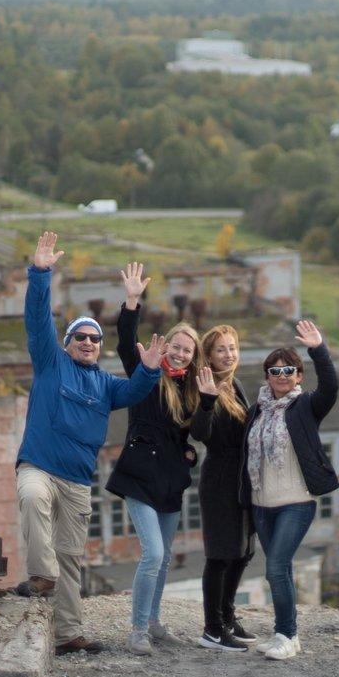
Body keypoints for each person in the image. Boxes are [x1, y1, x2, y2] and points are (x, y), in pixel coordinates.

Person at [14, 232, 169, 656]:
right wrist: (41, 273)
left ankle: (68, 634)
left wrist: (151, 369)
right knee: (31, 498)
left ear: (100, 348)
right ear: (67, 344)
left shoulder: (105, 386)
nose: (87, 343)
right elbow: (36, 318)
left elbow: (135, 391)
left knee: (70, 556)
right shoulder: (50, 363)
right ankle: (39, 575)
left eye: (94, 339)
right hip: (39, 467)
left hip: (78, 480)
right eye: (80, 337)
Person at [106, 262, 202, 656]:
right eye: (175, 347)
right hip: (139, 476)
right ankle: (137, 630)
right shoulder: (146, 373)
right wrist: (132, 302)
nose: (179, 354)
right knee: (154, 554)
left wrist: (189, 451)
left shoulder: (192, 389)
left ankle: (156, 622)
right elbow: (126, 342)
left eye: (186, 350)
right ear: (165, 347)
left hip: (171, 480)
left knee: (163, 561)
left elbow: (184, 434)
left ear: (192, 356)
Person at [241, 319, 338, 661]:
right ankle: (285, 633)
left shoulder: (305, 407)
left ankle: (288, 635)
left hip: (296, 503)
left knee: (276, 566)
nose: (281, 376)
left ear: (299, 375)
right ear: (266, 376)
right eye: (274, 370)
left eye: (288, 370)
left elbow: (330, 386)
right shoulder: (256, 412)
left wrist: (317, 349)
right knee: (278, 568)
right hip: (261, 504)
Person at [189, 323, 260, 652]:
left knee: (243, 552)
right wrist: (206, 401)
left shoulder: (236, 385)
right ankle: (213, 629)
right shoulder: (206, 385)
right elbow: (200, 433)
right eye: (221, 349)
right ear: (209, 356)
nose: (228, 354)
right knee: (220, 555)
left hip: (241, 479)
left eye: (232, 347)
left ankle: (228, 618)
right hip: (219, 479)